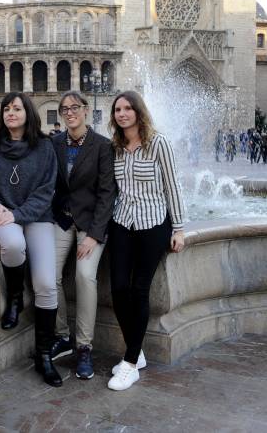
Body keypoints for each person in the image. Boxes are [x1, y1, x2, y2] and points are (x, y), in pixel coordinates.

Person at [107, 91, 186, 391]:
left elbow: (173, 185)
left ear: (139, 112)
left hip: (153, 223)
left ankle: (129, 364)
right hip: (122, 222)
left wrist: (178, 228)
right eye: (118, 109)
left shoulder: (158, 143)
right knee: (118, 288)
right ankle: (135, 351)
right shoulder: (115, 146)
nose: (122, 113)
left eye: (128, 108)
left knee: (140, 290)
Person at [0, 92, 62, 387]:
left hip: (36, 216)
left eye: (17, 108)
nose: (11, 112)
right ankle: (15, 298)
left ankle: (44, 356)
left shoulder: (44, 147)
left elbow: (46, 191)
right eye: (7, 108)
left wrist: (19, 214)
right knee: (14, 245)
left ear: (28, 113)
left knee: (45, 283)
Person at [50, 91, 116, 380]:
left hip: (90, 225)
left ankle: (84, 347)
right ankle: (62, 335)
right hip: (62, 221)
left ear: (86, 110)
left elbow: (107, 194)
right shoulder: (53, 144)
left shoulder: (102, 146)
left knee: (84, 276)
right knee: (47, 275)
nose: (69, 112)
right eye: (64, 109)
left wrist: (94, 234)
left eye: (74, 107)